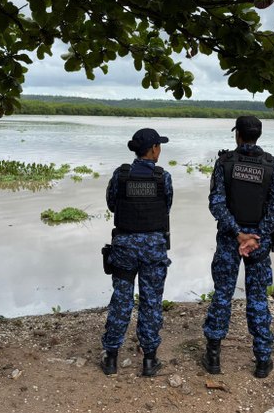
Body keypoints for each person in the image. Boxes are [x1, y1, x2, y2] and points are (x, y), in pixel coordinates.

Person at [201, 116, 274, 378]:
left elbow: (216, 203)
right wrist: (257, 236)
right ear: (258, 135)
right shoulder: (270, 164)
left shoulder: (225, 163)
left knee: (223, 295)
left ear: (238, 135)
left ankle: (213, 358)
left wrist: (239, 234)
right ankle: (262, 360)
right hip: (258, 243)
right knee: (258, 298)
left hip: (230, 239)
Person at [100, 128, 173, 376]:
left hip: (124, 247)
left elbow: (112, 204)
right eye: (159, 146)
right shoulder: (164, 177)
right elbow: (167, 207)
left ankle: (111, 358)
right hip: (153, 247)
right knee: (151, 301)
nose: (160, 150)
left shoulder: (120, 176)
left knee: (121, 300)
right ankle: (149, 360)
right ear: (153, 149)